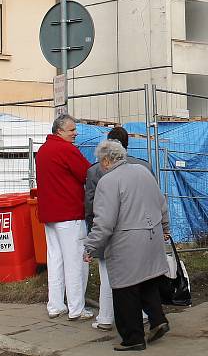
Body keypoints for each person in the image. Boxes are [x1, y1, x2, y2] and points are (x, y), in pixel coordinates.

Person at [84, 140, 171, 351]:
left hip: (127, 243)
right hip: (152, 236)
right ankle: (158, 319)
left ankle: (133, 338)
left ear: (106, 160)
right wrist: (166, 228)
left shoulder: (108, 182)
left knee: (125, 290)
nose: (100, 166)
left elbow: (104, 222)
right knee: (147, 281)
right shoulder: (142, 171)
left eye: (100, 161)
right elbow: (162, 203)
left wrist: (90, 247)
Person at [84, 127, 153, 331]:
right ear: (127, 144)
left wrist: (92, 234)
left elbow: (90, 204)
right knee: (138, 275)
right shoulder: (143, 166)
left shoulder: (94, 170)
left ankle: (105, 318)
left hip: (108, 232)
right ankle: (142, 315)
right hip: (139, 232)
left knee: (107, 276)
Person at [36, 114, 93, 321]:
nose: (75, 133)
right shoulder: (67, 149)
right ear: (59, 131)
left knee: (56, 261)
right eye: (71, 130)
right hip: (69, 213)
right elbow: (86, 173)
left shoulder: (42, 150)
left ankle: (55, 305)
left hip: (49, 214)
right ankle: (77, 308)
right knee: (76, 261)